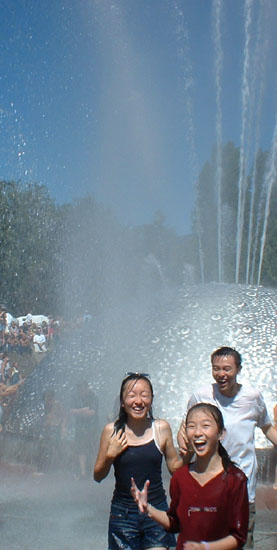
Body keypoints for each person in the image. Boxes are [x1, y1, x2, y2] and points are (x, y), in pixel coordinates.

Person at [177, 346, 277, 549]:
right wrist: (184, 452)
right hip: (208, 488)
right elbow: (184, 427)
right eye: (216, 369)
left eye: (227, 369)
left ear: (238, 369)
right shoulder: (201, 395)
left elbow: (266, 427)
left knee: (242, 542)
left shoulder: (252, 397)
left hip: (242, 488)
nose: (221, 374)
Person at [132, 403, 249, 550]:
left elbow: (239, 537)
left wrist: (206, 548)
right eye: (191, 426)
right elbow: (175, 523)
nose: (197, 432)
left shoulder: (235, 479)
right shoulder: (180, 478)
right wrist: (148, 508)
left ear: (221, 433)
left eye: (205, 426)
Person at [94, 372, 183, 550]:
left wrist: (188, 455)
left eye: (144, 395)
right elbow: (98, 475)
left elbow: (175, 469)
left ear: (151, 399)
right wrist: (110, 455)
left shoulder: (161, 428)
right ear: (122, 401)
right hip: (123, 514)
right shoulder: (111, 431)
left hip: (156, 511)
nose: (138, 401)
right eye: (132, 395)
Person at [71, 380, 99, 479]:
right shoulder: (76, 397)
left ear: (87, 388)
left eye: (83, 389)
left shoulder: (93, 397)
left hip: (92, 427)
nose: (81, 391)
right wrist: (83, 410)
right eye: (80, 389)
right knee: (81, 449)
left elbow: (92, 412)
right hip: (80, 427)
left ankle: (93, 471)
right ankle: (83, 472)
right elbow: (72, 411)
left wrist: (79, 412)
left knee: (92, 449)